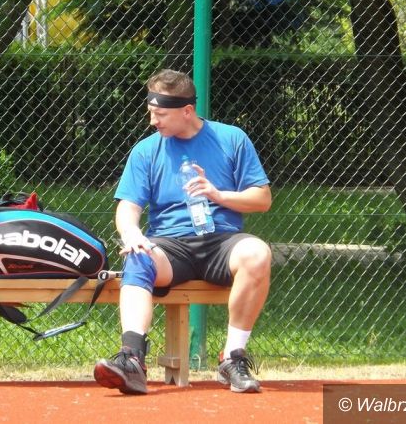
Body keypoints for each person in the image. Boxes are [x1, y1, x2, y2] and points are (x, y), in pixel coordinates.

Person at [93, 69, 272, 394]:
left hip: (222, 242)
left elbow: (262, 199)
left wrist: (217, 195)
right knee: (138, 257)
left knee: (258, 253)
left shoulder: (232, 139)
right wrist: (132, 234)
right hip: (169, 246)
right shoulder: (146, 150)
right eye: (151, 112)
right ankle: (131, 359)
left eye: (160, 114)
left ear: (187, 111)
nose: (153, 121)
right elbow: (128, 207)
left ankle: (233, 358)